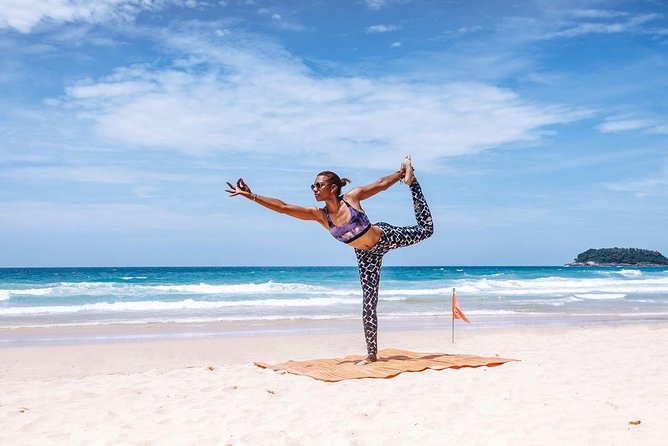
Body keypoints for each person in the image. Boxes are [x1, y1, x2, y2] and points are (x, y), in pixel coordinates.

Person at [225, 156, 434, 364]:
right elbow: (284, 207)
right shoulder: (320, 216)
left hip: (384, 236)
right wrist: (251, 196)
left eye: (318, 185)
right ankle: (372, 355)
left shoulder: (352, 198)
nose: (314, 189)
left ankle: (412, 182)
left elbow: (380, 184)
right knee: (369, 303)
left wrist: (401, 174)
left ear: (332, 188)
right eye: (313, 186)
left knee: (427, 230)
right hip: (366, 256)